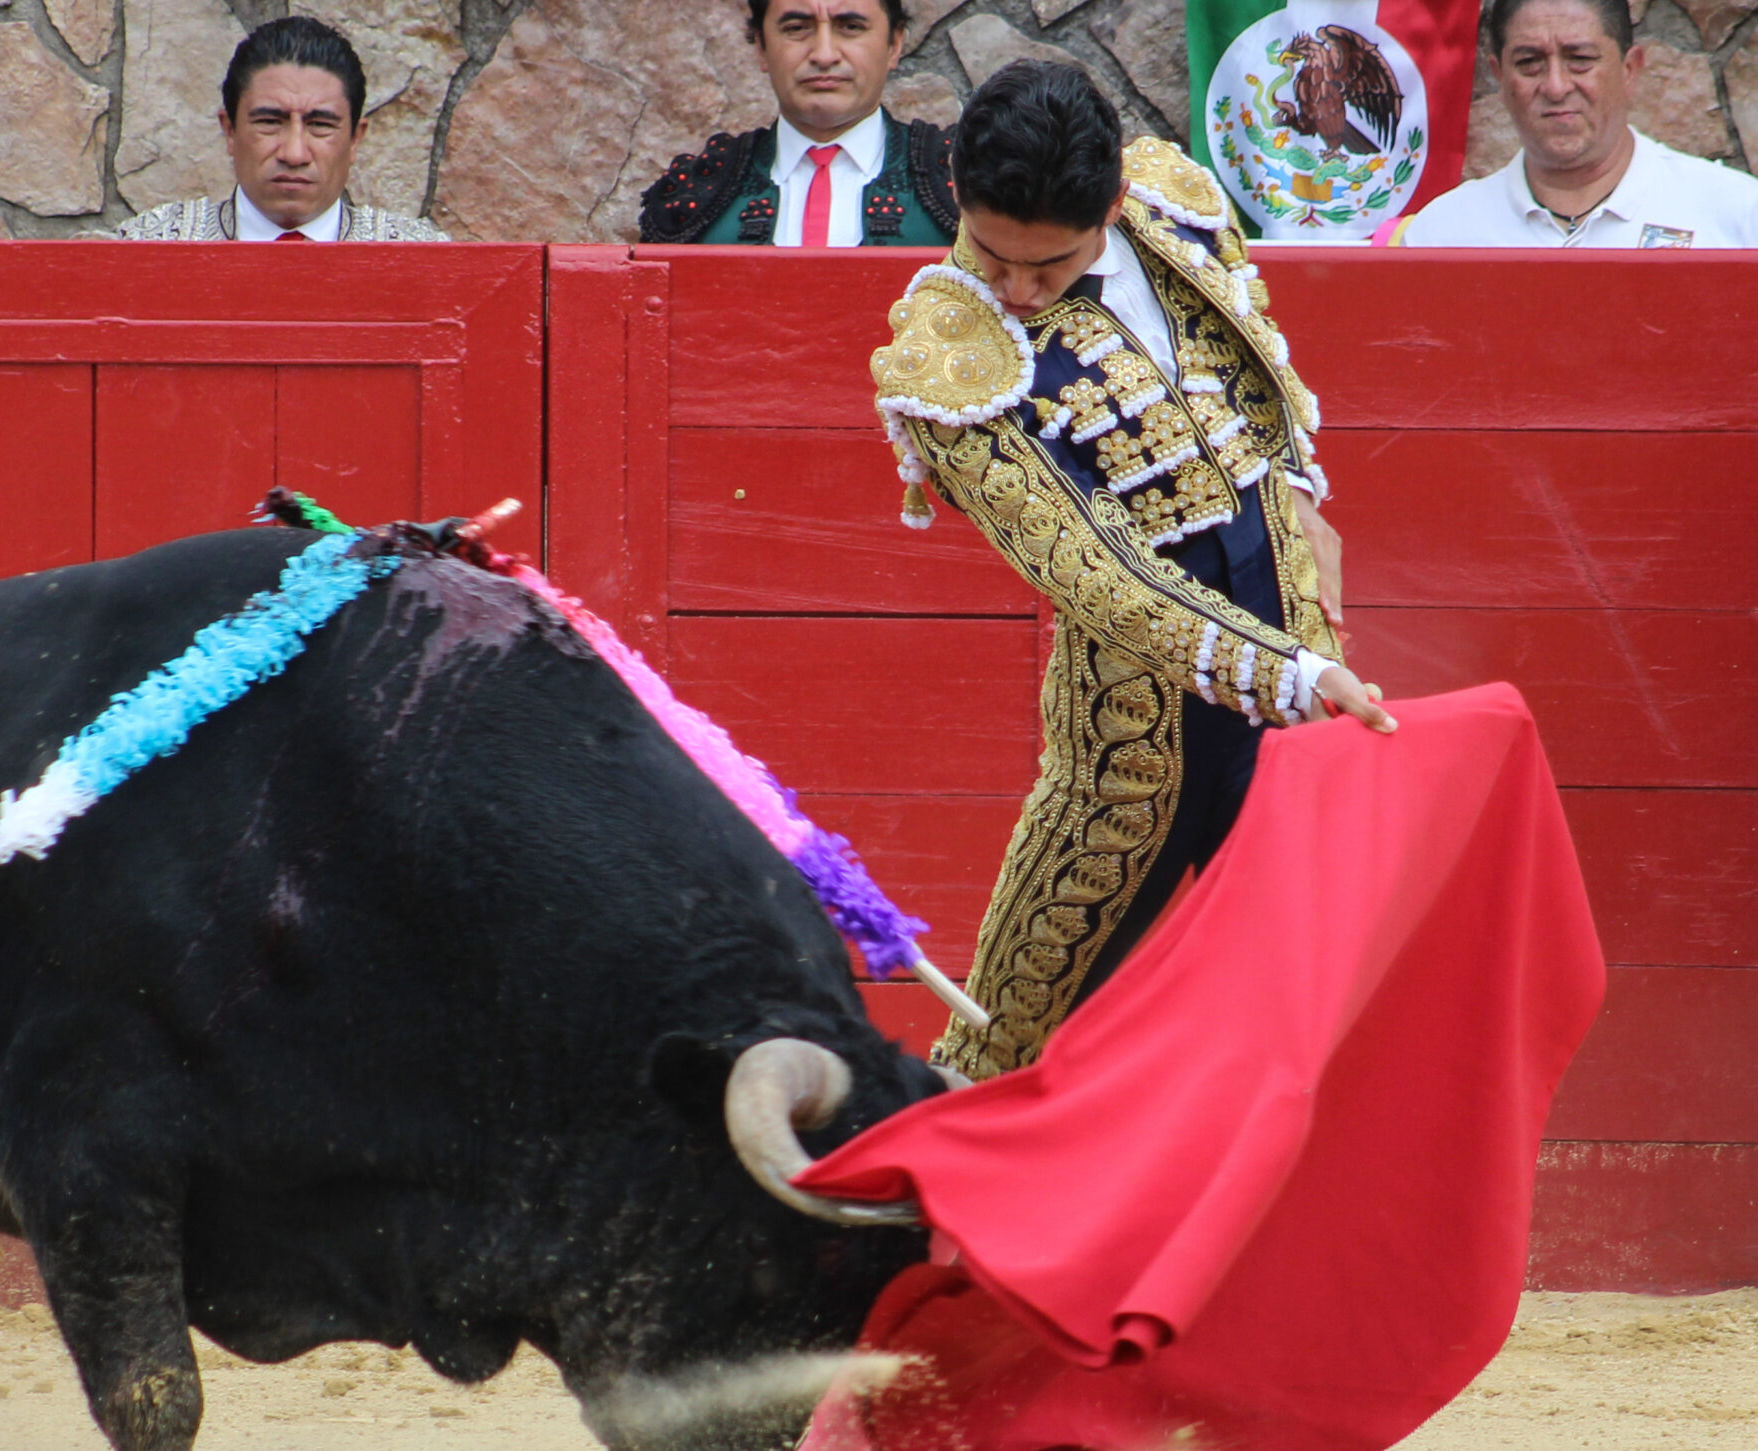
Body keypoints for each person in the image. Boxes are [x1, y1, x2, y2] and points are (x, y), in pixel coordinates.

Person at [870, 61, 1395, 1082]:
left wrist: (1301, 497)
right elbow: (1097, 576)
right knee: (998, 1050)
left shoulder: (1173, 206)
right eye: (991, 255)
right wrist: (1289, 674)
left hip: (1298, 714)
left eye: (1050, 264)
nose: (1015, 292)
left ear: (1110, 206)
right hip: (1132, 753)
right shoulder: (943, 355)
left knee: (1324, 1041)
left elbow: (1261, 375)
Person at [1398, 0, 1758, 246]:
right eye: (1529, 62)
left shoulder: (1736, 216)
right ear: (1500, 77)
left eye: (1580, 59)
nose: (1556, 86)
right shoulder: (1442, 234)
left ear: (1630, 69)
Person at [638, 0, 955, 246]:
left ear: (894, 44)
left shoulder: (960, 184)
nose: (824, 54)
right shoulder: (695, 197)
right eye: (796, 28)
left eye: (851, 26)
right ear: (761, 47)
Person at [114, 16, 444, 242]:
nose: (294, 153)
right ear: (230, 130)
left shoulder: (426, 261)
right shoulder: (145, 249)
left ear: (355, 139)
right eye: (270, 122)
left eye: (320, 125)